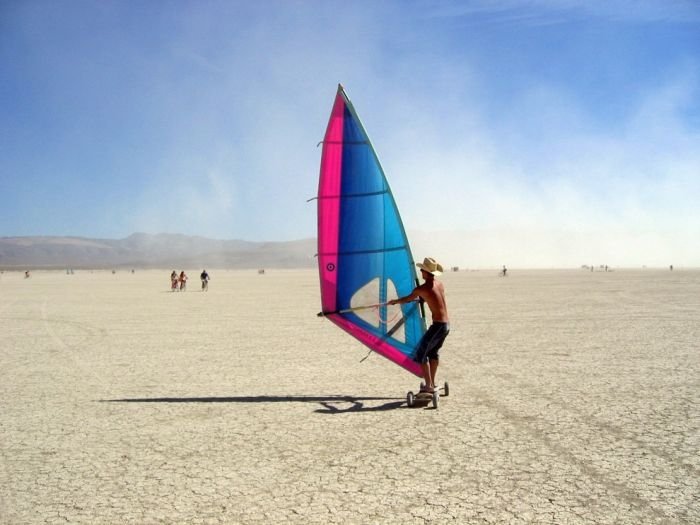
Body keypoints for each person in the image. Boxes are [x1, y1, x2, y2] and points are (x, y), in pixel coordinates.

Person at [388, 257, 449, 394]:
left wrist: (394, 301)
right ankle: (432, 383)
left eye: (422, 270)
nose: (421, 271)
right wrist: (421, 299)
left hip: (438, 326)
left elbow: (407, 299)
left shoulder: (421, 289)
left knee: (421, 353)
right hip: (446, 325)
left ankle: (429, 386)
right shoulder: (439, 284)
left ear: (426, 273)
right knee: (433, 353)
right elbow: (432, 297)